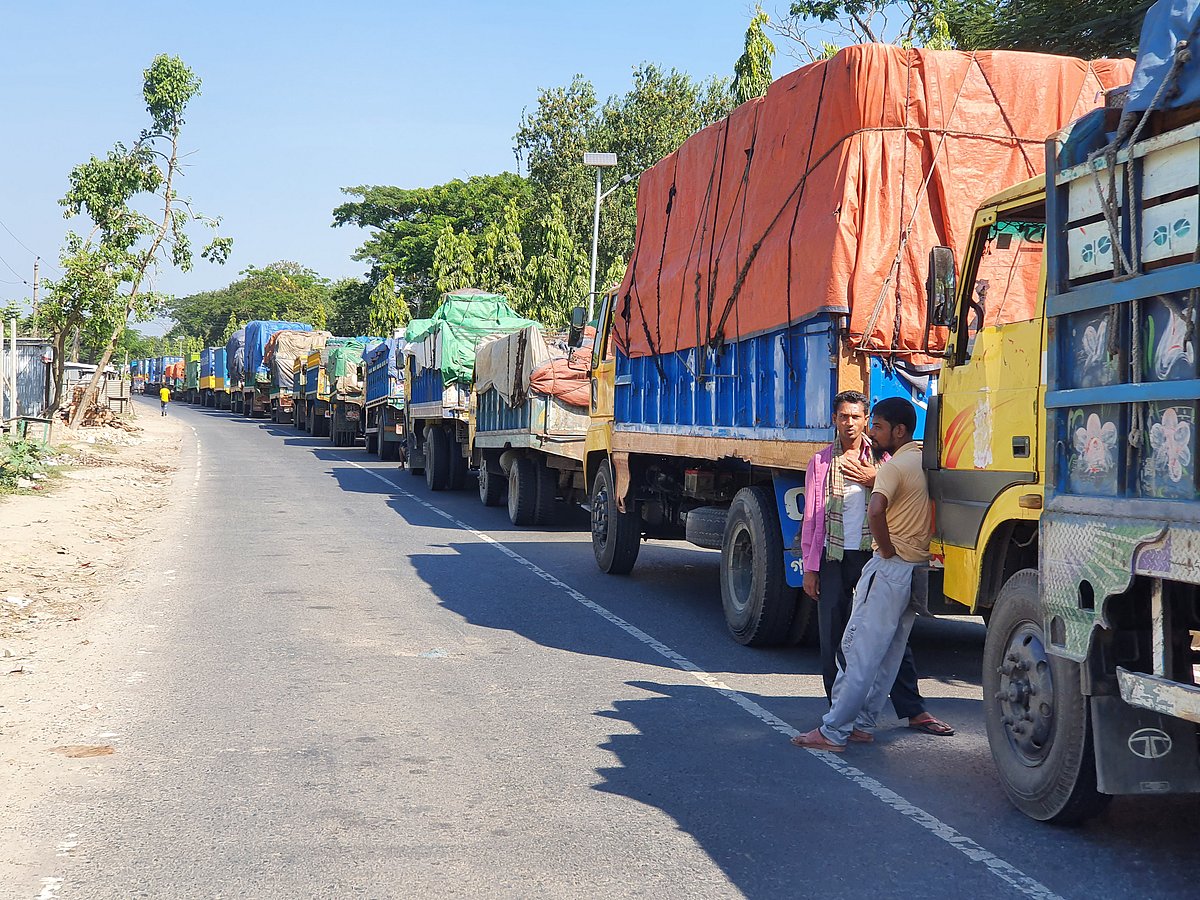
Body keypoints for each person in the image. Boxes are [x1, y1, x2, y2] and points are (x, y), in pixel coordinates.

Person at [792, 397, 946, 752]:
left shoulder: (888, 464)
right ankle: (859, 721)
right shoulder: (919, 459)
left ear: (897, 430)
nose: (860, 426)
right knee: (879, 647)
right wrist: (810, 565)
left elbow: (877, 508)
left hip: (882, 561)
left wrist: (886, 548)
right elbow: (814, 517)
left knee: (858, 650)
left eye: (870, 423)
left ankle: (834, 729)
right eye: (845, 417)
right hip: (871, 561)